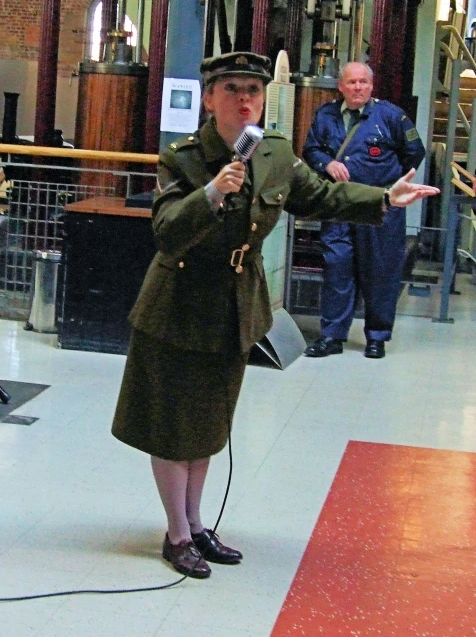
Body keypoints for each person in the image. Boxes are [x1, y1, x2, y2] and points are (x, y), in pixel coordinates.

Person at [111, 52, 438, 579]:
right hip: (179, 304)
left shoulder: (274, 152)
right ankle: (176, 534)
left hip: (236, 306)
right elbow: (167, 231)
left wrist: (383, 198)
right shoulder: (185, 158)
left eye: (254, 92)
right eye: (234, 89)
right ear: (210, 97)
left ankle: (196, 524)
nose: (245, 100)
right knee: (174, 425)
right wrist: (213, 191)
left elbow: (321, 196)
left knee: (209, 423)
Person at [302, 61, 426, 360]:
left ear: (371, 87)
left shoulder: (391, 116)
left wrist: (392, 188)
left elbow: (415, 152)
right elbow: (311, 149)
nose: (358, 87)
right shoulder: (325, 116)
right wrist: (327, 164)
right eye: (352, 82)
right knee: (337, 268)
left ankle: (377, 337)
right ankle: (332, 336)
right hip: (339, 205)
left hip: (379, 207)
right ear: (341, 86)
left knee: (381, 271)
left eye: (363, 82)